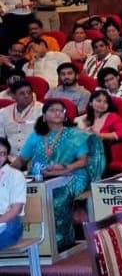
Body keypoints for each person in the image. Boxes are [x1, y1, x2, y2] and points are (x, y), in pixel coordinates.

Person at [20, 98, 100, 241]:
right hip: (42, 176)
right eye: (52, 110)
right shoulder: (35, 136)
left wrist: (64, 168)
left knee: (57, 198)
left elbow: (83, 161)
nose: (57, 113)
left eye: (61, 110)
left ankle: (61, 240)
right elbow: (22, 160)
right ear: (44, 116)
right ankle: (34, 239)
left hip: (74, 174)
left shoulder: (76, 135)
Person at [0, 139, 25, 250]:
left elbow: (16, 210)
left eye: (2, 154)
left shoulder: (15, 175)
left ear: (7, 157)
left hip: (9, 223)